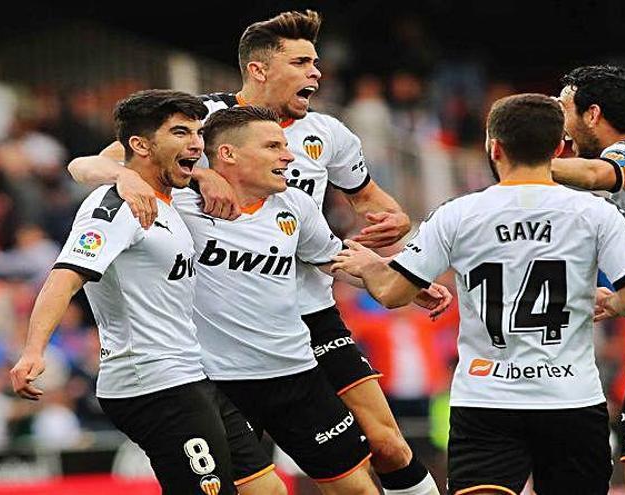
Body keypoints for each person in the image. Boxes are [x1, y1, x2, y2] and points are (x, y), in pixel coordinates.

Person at [68, 11, 440, 494]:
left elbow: (372, 202)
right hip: (222, 325)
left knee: (388, 444)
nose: (317, 73)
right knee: (250, 480)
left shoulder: (329, 133)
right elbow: (89, 164)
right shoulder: (198, 122)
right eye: (302, 62)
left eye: (316, 61)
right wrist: (138, 176)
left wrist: (398, 225)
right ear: (260, 69)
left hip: (311, 310)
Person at [329, 93, 625, 494]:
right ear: (557, 149)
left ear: (494, 147)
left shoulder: (458, 213)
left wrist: (367, 265)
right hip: (571, 398)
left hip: (486, 400)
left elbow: (394, 294)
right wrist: (612, 301)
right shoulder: (596, 213)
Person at [10, 90, 277, 495]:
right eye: (180, 132)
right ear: (140, 145)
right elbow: (65, 275)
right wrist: (33, 350)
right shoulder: (119, 204)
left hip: (191, 373)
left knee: (267, 489)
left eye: (198, 133)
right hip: (153, 383)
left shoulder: (168, 201)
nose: (195, 144)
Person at [551, 64, 625, 495]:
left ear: (592, 114)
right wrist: (614, 302)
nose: (561, 121)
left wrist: (523, 161)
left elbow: (595, 175)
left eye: (564, 108)